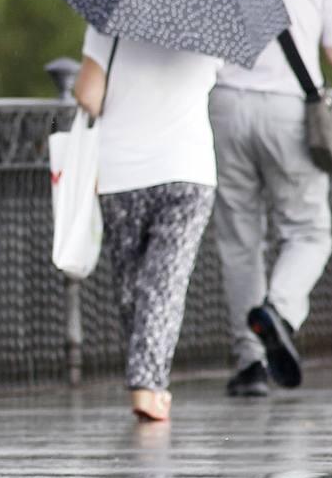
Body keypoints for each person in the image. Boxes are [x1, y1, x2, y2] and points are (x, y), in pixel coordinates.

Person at [214, 0, 332, 398]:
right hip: (288, 113)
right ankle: (277, 312)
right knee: (308, 231)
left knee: (240, 239)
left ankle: (251, 364)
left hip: (223, 106)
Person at [75, 27, 222, 422]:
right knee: (164, 282)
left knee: (130, 285)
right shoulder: (213, 23)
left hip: (122, 172)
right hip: (187, 169)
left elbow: (88, 93)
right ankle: (148, 383)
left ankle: (147, 379)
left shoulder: (110, 21)